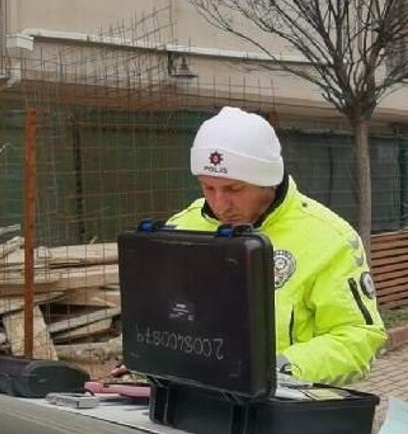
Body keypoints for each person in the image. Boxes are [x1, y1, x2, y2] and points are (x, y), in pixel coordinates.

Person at [162, 106, 386, 385]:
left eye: (234, 189)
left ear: (268, 180)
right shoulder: (179, 228)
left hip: (282, 412)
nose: (219, 205)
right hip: (188, 404)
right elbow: (162, 313)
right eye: (208, 188)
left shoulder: (328, 238)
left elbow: (359, 337)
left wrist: (278, 370)